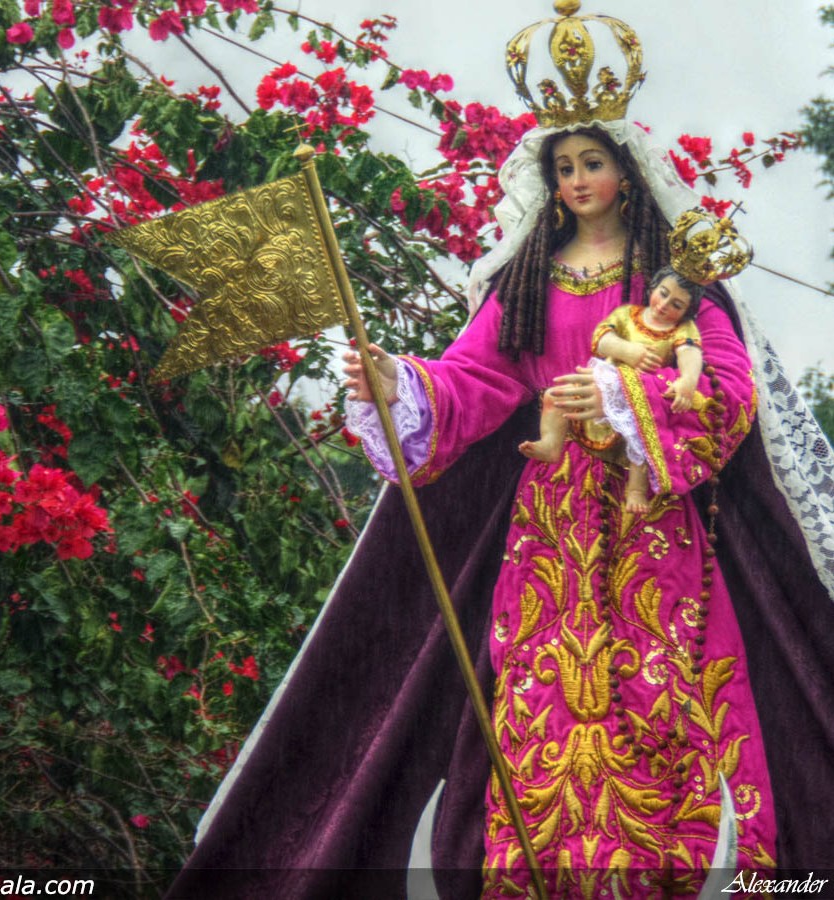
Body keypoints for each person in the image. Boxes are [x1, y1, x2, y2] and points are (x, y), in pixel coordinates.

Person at [167, 12, 834, 900]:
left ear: (626, 172)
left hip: (653, 524)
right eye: (564, 167)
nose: (578, 180)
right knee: (540, 698)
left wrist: (622, 401)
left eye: (591, 162)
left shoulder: (674, 281)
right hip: (548, 531)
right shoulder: (526, 280)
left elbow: (726, 390)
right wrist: (395, 381)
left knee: (662, 694)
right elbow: (471, 381)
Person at [518, 265, 704, 514]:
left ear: (686, 312)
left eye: (676, 305)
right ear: (653, 287)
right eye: (663, 293)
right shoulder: (628, 314)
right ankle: (551, 443)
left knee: (640, 440)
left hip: (640, 395)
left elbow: (690, 353)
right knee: (555, 396)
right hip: (605, 379)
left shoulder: (682, 329)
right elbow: (602, 340)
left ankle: (636, 491)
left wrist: (688, 380)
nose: (663, 305)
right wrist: (628, 350)